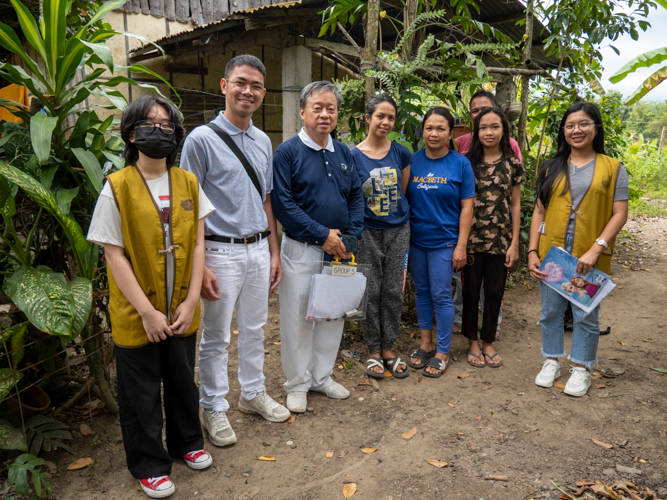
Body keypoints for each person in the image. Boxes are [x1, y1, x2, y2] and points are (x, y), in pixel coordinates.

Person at [87, 95, 215, 498]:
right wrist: (145, 311)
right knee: (140, 392)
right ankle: (149, 464)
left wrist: (192, 299)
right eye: (150, 123)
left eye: (167, 125)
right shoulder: (117, 187)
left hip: (181, 308)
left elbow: (198, 245)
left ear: (177, 135)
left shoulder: (188, 182)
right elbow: (113, 253)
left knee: (182, 380)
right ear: (131, 132)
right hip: (136, 313)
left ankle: (188, 443)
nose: (159, 131)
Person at [180, 54, 290, 449]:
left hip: (258, 248)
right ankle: (213, 405)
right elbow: (189, 206)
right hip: (218, 253)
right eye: (241, 83)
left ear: (263, 93)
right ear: (224, 86)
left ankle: (251, 393)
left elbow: (266, 201)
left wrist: (274, 252)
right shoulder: (200, 140)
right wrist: (200, 264)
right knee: (215, 336)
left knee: (256, 329)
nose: (249, 91)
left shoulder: (263, 141)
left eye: (257, 86)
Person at [272, 81, 364, 412]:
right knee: (298, 317)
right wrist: (322, 234)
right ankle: (297, 383)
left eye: (331, 109)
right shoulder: (287, 153)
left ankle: (322, 377)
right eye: (317, 108)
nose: (325, 114)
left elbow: (355, 195)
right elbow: (283, 205)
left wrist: (349, 237)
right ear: (302, 112)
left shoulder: (343, 153)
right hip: (301, 248)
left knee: (332, 313)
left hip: (340, 249)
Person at [528, 102, 628, 397]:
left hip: (590, 258)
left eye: (584, 124)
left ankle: (582, 367)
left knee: (586, 314)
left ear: (596, 128)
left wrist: (597, 248)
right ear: (563, 131)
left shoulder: (613, 167)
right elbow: (539, 212)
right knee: (550, 312)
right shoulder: (551, 167)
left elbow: (619, 213)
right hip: (553, 256)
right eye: (570, 125)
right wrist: (532, 251)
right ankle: (551, 360)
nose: (576, 130)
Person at [404, 107, 475, 377]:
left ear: (450, 133)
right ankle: (425, 343)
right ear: (422, 131)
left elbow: (467, 207)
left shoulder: (460, 164)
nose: (434, 133)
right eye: (429, 128)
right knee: (422, 291)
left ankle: (443, 351)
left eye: (440, 128)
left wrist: (461, 245)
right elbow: (404, 200)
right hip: (416, 241)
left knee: (442, 295)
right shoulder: (412, 161)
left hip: (445, 242)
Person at [351, 94, 412, 379]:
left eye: (391, 117)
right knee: (370, 291)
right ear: (368, 118)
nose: (386, 122)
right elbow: (352, 197)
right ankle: (373, 350)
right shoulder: (352, 156)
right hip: (366, 233)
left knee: (393, 290)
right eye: (380, 116)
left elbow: (403, 189)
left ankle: (389, 347)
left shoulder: (400, 153)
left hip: (398, 230)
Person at [452, 90, 523, 336]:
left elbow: (515, 203)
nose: (489, 132)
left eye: (494, 126)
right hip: (470, 239)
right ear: (476, 128)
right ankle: (471, 339)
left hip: (499, 241)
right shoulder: (465, 160)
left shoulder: (512, 161)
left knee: (494, 292)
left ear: (504, 128)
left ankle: (489, 338)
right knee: (469, 292)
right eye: (482, 126)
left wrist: (514, 243)